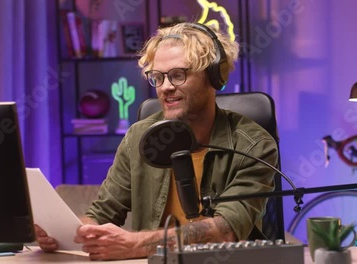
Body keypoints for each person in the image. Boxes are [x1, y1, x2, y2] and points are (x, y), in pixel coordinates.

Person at [35, 22, 278, 260]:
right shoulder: (138, 136)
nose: (165, 87)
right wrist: (70, 234)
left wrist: (136, 244)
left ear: (213, 77)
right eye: (157, 77)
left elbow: (225, 231)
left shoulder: (254, 145)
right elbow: (103, 212)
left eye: (178, 75)